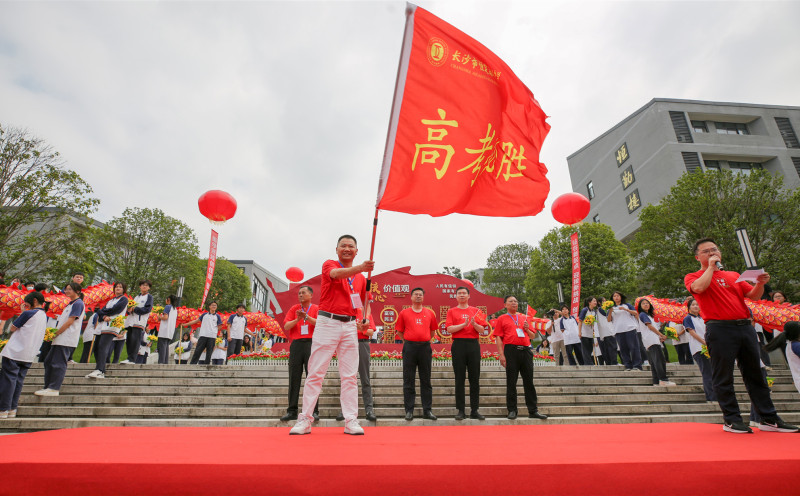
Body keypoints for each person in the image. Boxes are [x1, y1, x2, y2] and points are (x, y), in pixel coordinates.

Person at [685, 237, 797, 433]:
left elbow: (752, 296)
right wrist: (710, 268)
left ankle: (768, 418)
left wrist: (760, 283)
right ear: (697, 257)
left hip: (744, 327)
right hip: (719, 329)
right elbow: (699, 288)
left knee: (756, 374)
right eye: (707, 251)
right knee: (723, 375)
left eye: (715, 249)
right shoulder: (693, 276)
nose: (713, 253)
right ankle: (732, 419)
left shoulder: (733, 275)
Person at [290, 234, 373, 436]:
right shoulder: (329, 264)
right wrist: (360, 267)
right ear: (337, 250)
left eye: (351, 246)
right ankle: (305, 419)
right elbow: (336, 274)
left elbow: (358, 304)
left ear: (356, 251)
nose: (347, 249)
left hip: (350, 326)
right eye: (343, 246)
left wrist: (362, 322)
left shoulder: (362, 279)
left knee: (350, 376)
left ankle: (351, 420)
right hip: (328, 322)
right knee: (316, 372)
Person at [494, 296, 548, 420]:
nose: (514, 303)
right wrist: (501, 355)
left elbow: (533, 336)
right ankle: (512, 410)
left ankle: (533, 410)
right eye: (511, 301)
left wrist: (527, 328)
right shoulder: (502, 318)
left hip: (526, 350)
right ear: (505, 305)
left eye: (515, 301)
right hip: (511, 351)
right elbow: (498, 337)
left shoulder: (524, 318)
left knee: (529, 381)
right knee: (511, 381)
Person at [0, 292, 47, 419]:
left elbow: (12, 328)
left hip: (14, 352)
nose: (25, 305)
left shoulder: (28, 313)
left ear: (35, 301)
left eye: (26, 303)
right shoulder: (43, 315)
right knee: (18, 381)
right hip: (28, 353)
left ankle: (3, 409)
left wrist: (22, 313)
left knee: (8, 381)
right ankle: (12, 409)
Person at [395, 287, 438, 421]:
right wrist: (409, 341)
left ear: (423, 297)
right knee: (409, 379)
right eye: (416, 294)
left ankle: (427, 410)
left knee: (426, 380)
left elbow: (432, 331)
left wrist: (423, 339)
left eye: (420, 294)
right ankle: (409, 410)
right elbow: (400, 331)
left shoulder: (429, 313)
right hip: (410, 348)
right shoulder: (404, 313)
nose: (418, 296)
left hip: (425, 347)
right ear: (411, 297)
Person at [36, 282, 85, 396]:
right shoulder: (70, 304)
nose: (66, 291)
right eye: (66, 289)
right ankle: (48, 386)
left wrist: (56, 333)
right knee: (48, 361)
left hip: (66, 338)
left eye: (69, 289)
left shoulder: (78, 303)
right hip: (59, 338)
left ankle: (54, 388)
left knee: (58, 363)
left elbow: (69, 322)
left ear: (77, 291)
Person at [445, 286, 486, 421]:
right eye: (459, 293)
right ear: (456, 296)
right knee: (459, 378)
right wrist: (463, 324)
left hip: (473, 344)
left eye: (464, 293)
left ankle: (475, 410)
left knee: (474, 378)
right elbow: (449, 329)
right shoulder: (451, 311)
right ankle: (461, 410)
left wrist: (473, 324)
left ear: (469, 296)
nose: (462, 295)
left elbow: (481, 330)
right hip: (458, 345)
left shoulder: (476, 311)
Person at [281, 285, 320, 422]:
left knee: (312, 378)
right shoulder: (294, 309)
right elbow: (286, 326)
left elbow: (320, 324)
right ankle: (292, 411)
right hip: (296, 344)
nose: (300, 295)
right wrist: (298, 319)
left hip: (311, 344)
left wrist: (307, 317)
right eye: (299, 293)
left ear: (311, 295)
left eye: (303, 293)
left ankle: (314, 411)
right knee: (294, 377)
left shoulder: (316, 309)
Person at [86, 282, 129, 379]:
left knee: (103, 346)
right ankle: (99, 368)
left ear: (124, 289)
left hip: (112, 325)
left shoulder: (124, 299)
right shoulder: (111, 300)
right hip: (102, 325)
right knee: (96, 347)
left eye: (120, 287)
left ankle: (100, 370)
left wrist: (104, 313)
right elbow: (100, 311)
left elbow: (115, 310)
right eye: (116, 287)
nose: (118, 288)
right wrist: (104, 315)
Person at [682, 298, 716, 402]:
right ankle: (711, 397)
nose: (696, 306)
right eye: (693, 305)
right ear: (689, 307)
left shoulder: (703, 318)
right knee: (707, 372)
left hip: (709, 348)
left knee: (713, 372)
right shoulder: (688, 318)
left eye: (697, 304)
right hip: (699, 348)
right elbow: (692, 332)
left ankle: (715, 395)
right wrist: (704, 343)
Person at [637, 298, 675, 387]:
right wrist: (660, 334)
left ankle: (656, 381)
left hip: (652, 340)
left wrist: (659, 337)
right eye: (643, 304)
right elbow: (649, 326)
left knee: (654, 362)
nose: (646, 305)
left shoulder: (649, 315)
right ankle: (663, 379)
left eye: (647, 303)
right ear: (640, 306)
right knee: (659, 360)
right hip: (651, 340)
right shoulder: (643, 315)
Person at [607, 292, 642, 371]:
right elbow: (609, 320)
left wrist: (626, 309)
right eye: (614, 296)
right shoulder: (611, 308)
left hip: (630, 329)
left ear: (621, 297)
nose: (616, 297)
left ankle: (637, 365)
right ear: (612, 298)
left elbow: (635, 313)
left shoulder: (627, 305)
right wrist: (610, 311)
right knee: (623, 349)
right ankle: (628, 365)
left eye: (618, 296)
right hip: (618, 331)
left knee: (633, 347)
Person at [122, 280, 153, 364]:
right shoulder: (136, 297)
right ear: (140, 286)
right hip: (130, 321)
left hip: (139, 322)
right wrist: (129, 309)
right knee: (129, 340)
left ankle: (132, 359)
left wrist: (134, 309)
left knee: (135, 340)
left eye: (146, 285)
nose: (144, 287)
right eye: (142, 285)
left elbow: (147, 309)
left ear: (149, 288)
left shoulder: (149, 297)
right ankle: (129, 357)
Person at [597, 297, 619, 366]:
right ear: (599, 303)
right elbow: (606, 315)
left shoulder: (605, 309)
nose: (605, 302)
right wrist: (610, 309)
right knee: (612, 347)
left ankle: (610, 362)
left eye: (605, 301)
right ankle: (614, 362)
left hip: (607, 331)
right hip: (607, 331)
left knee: (609, 348)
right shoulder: (601, 309)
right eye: (603, 301)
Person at [578, 297, 600, 365]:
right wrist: (579, 332)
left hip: (590, 333)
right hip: (584, 333)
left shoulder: (594, 311)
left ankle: (588, 363)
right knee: (585, 349)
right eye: (594, 301)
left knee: (590, 348)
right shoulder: (585, 310)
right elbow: (580, 321)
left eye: (596, 301)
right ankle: (588, 363)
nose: (595, 302)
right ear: (589, 302)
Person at [156, 295, 178, 364]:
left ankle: (161, 362)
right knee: (166, 347)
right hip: (170, 331)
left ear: (168, 299)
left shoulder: (167, 307)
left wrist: (159, 317)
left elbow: (165, 317)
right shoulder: (175, 309)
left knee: (162, 347)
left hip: (164, 330)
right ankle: (165, 362)